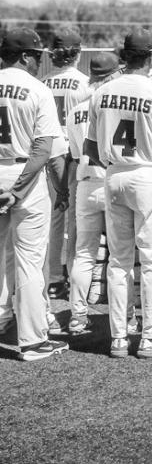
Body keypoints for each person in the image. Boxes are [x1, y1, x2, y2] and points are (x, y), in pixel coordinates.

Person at [85, 28, 152, 359]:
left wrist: (116, 167)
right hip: (147, 173)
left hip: (113, 173)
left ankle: (119, 338)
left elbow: (91, 148)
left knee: (118, 260)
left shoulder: (102, 92)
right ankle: (150, 336)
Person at [0, 29, 69, 361]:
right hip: (24, 176)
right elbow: (43, 149)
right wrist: (17, 190)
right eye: (37, 55)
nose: (40, 60)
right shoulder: (36, 88)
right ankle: (32, 341)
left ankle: (2, 319)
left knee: (1, 257)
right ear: (26, 56)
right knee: (29, 260)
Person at [63, 52, 120, 335]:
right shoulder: (116, 104)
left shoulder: (77, 109)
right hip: (113, 181)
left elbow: (75, 155)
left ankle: (77, 315)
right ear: (113, 75)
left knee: (83, 252)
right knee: (121, 253)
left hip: (85, 183)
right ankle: (126, 316)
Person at [42, 26, 91, 300]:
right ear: (78, 52)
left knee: (52, 221)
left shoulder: (43, 82)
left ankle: (53, 277)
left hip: (47, 155)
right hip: (72, 156)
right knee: (76, 221)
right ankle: (74, 277)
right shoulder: (84, 83)